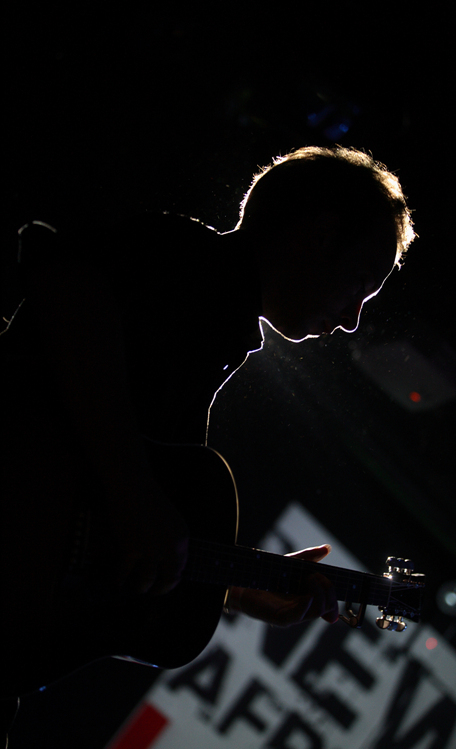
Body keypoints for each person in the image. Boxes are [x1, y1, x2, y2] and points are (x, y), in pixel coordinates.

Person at [1, 145, 414, 741]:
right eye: (359, 283)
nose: (351, 318)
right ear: (318, 235)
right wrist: (135, 493)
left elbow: (96, 515)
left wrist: (231, 589)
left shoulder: (216, 326)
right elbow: (60, 281)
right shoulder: (189, 263)